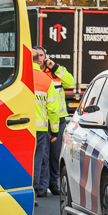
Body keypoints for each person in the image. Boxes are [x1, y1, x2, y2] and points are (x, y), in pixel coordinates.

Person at [31, 48, 74, 195]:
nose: (41, 58)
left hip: (58, 119)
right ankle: (42, 187)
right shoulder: (35, 74)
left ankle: (53, 183)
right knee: (43, 156)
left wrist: (54, 66)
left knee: (56, 155)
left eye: (43, 55)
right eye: (39, 56)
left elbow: (70, 82)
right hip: (43, 121)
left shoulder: (55, 72)